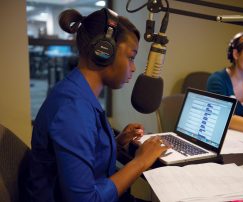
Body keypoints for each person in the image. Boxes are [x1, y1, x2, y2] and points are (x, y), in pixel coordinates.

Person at [28, 8, 169, 202]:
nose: (134, 67)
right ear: (104, 52)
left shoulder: (77, 91)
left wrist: (116, 143)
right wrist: (141, 161)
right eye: (131, 57)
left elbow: (82, 154)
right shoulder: (73, 110)